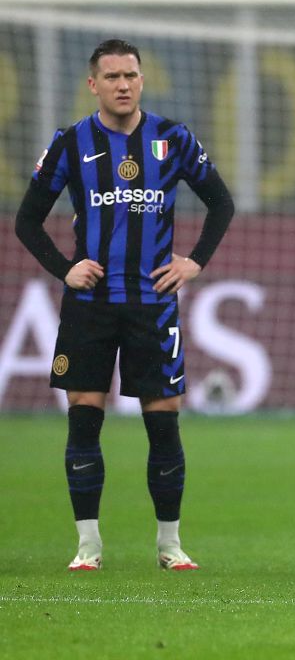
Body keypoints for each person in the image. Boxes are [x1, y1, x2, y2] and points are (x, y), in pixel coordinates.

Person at [14, 38, 235, 572]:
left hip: (151, 305)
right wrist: (64, 269)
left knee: (163, 425)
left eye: (130, 75)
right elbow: (27, 220)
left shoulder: (173, 139)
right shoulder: (69, 144)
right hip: (90, 305)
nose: (122, 85)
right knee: (84, 423)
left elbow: (221, 202)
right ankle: (88, 547)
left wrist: (195, 262)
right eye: (111, 76)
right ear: (93, 84)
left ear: (141, 80)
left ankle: (170, 545)